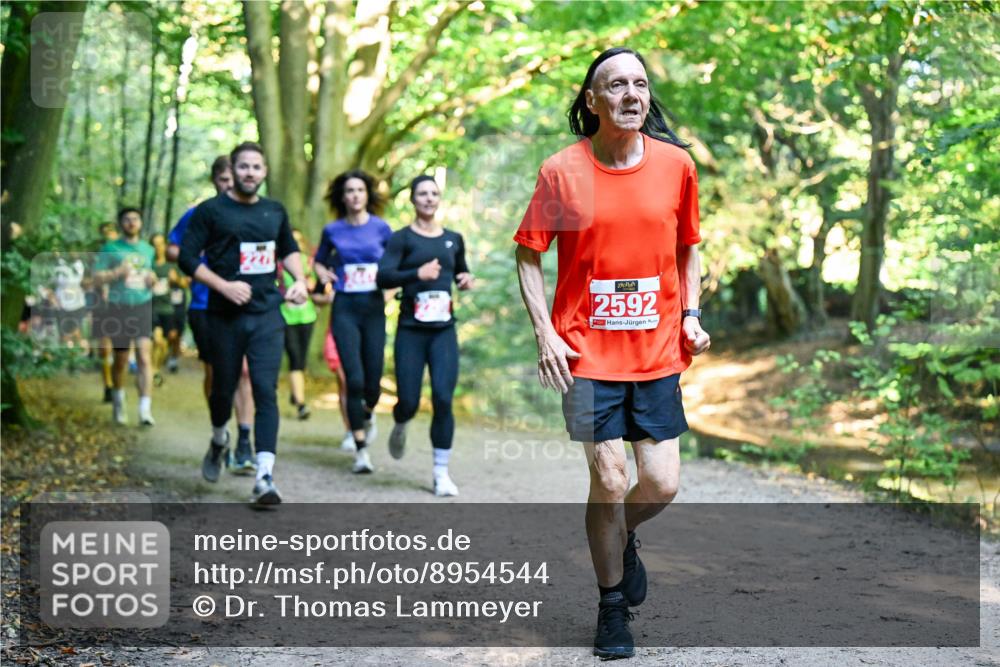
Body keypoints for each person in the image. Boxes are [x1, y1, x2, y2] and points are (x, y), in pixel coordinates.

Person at [513, 47, 711, 659]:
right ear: (593, 100)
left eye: (640, 84)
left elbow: (690, 249)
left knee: (662, 484)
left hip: (655, 351)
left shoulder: (677, 166)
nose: (631, 94)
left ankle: (621, 537)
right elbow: (528, 252)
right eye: (616, 85)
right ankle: (611, 609)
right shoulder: (561, 171)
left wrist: (692, 314)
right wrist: (545, 332)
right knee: (608, 475)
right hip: (585, 355)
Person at [178, 141, 308, 505]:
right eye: (244, 166)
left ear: (265, 172)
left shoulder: (274, 211)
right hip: (224, 316)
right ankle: (220, 439)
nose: (250, 173)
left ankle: (264, 476)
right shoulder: (211, 211)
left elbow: (289, 250)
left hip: (267, 314)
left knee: (265, 390)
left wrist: (298, 281)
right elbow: (187, 258)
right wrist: (224, 286)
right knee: (223, 389)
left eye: (257, 167)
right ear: (232, 171)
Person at [377, 175, 474, 497]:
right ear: (413, 200)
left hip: (443, 331)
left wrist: (464, 279)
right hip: (411, 332)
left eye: (434, 193)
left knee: (443, 399)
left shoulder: (453, 238)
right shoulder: (401, 239)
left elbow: (461, 269)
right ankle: (401, 422)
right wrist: (415, 274)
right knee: (408, 400)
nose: (429, 198)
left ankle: (440, 473)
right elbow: (383, 277)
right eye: (422, 193)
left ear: (439, 198)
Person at [167, 156, 257, 475]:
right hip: (207, 306)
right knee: (218, 375)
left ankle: (245, 442)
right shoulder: (199, 214)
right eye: (223, 179)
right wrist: (200, 254)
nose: (229, 184)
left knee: (245, 373)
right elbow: (173, 250)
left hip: (246, 306)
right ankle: (220, 431)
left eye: (233, 178)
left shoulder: (255, 213)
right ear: (215, 181)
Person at [314, 169, 392, 474]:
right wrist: (322, 273)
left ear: (367, 195)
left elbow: (396, 263)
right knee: (353, 379)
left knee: (372, 383)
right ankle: (361, 451)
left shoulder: (382, 229)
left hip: (373, 308)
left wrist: (390, 292)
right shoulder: (332, 231)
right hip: (344, 307)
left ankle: (368, 413)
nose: (355, 195)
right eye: (349, 191)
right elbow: (320, 260)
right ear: (342, 197)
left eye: (360, 190)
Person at [94, 207, 157, 426]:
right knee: (120, 360)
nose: (131, 223)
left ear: (140, 222)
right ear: (121, 223)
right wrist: (115, 273)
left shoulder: (148, 250)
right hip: (118, 306)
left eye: (135, 219)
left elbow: (152, 274)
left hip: (142, 305)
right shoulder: (110, 248)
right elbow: (96, 277)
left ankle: (145, 410)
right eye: (127, 219)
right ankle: (119, 401)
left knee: (144, 356)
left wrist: (152, 279)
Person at [279, 229, 319, 420]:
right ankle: (302, 404)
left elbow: (316, 286)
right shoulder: (277, 264)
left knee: (301, 360)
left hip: (307, 316)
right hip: (285, 317)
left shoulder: (308, 263)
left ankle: (296, 393)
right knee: (295, 358)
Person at [150, 233, 187, 383]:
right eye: (154, 244)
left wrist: (176, 279)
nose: (157, 248)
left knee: (166, 341)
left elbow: (185, 284)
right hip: (151, 307)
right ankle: (153, 370)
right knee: (157, 339)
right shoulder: (148, 265)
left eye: (160, 244)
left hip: (168, 308)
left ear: (165, 246)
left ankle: (156, 367)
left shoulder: (173, 266)